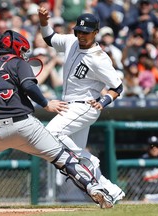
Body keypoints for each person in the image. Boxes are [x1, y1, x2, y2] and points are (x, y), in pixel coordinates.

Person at [0, 30, 115, 209]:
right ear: (17, 48)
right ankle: (95, 188)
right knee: (64, 158)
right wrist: (46, 104)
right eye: (22, 50)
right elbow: (28, 86)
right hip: (25, 126)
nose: (23, 54)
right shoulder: (19, 63)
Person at [38, 8, 125, 205]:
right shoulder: (71, 41)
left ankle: (91, 160)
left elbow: (117, 86)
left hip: (84, 106)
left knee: (49, 134)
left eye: (86, 32)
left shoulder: (99, 58)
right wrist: (43, 22)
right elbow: (50, 38)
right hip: (69, 105)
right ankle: (110, 191)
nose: (82, 35)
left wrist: (103, 101)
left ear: (96, 32)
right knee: (75, 155)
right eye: (79, 31)